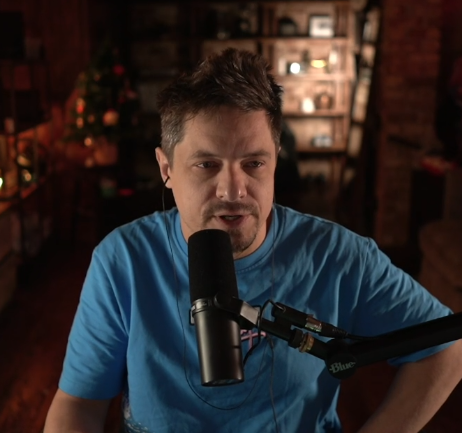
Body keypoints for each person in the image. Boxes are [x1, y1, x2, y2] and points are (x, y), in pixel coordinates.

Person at [44, 48, 462, 433]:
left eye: (254, 163)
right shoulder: (122, 260)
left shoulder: (338, 256)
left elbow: (445, 348)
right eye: (207, 165)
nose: (233, 189)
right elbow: (78, 404)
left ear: (276, 159)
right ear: (166, 168)